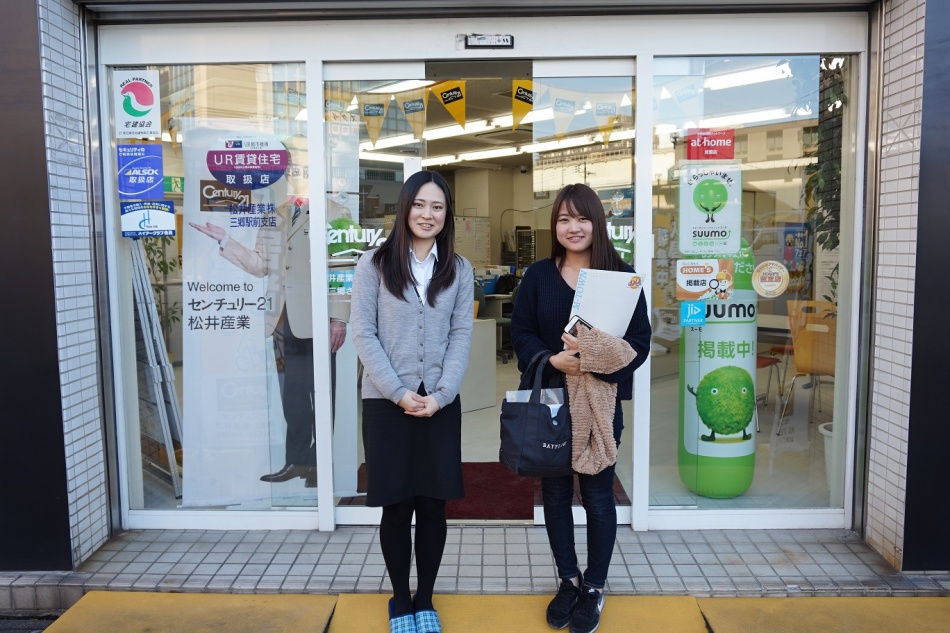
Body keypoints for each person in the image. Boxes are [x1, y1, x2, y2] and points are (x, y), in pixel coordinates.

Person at [510, 183, 651, 633]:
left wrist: (590, 358)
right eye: (564, 219)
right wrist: (551, 360)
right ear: (555, 225)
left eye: (582, 218)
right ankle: (567, 580)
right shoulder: (537, 276)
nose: (573, 227)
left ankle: (594, 587)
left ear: (597, 223)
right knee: (554, 494)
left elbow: (639, 344)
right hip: (552, 401)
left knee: (596, 497)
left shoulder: (621, 277)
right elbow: (521, 332)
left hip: (601, 405)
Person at [350, 170, 473, 633]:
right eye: (420, 205)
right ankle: (400, 598)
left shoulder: (458, 269)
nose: (428, 214)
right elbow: (364, 334)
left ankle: (426, 598)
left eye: (437, 207)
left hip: (440, 405)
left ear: (447, 214)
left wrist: (440, 396)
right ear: (404, 209)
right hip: (387, 404)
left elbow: (461, 335)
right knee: (397, 505)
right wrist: (400, 393)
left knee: (435, 504)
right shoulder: (375, 265)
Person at [189, 135, 348, 488]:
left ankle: (322, 465)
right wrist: (224, 240)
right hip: (280, 320)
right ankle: (297, 462)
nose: (295, 170)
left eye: (302, 164)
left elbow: (345, 268)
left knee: (323, 393)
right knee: (292, 396)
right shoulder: (275, 215)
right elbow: (261, 265)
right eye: (291, 164)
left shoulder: (338, 213)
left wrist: (339, 317)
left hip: (318, 319)